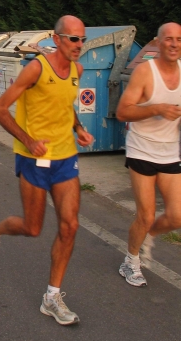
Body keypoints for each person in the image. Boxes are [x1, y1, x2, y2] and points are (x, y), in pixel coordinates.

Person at [0, 15, 93, 326]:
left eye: (82, 39)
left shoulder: (78, 70)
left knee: (70, 226)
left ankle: (52, 297)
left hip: (65, 157)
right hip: (33, 157)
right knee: (33, 227)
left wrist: (78, 128)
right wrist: (28, 140)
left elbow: (66, 106)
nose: (79, 45)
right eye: (73, 39)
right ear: (57, 39)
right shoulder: (36, 69)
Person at [116, 22, 181, 287]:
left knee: (177, 216)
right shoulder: (145, 72)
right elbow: (122, 112)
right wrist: (156, 109)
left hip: (169, 152)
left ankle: (145, 235)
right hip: (142, 148)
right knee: (146, 214)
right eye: (169, 39)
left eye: (179, 39)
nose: (174, 44)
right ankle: (130, 261)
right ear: (158, 42)